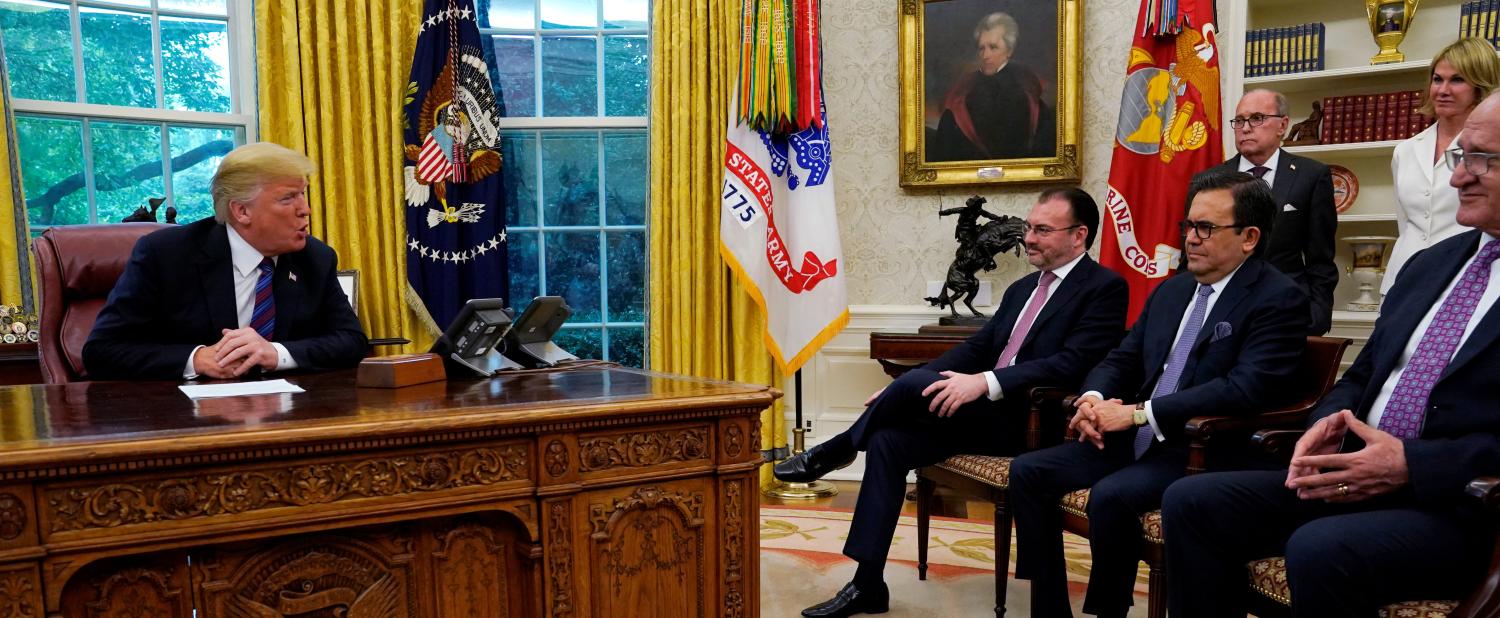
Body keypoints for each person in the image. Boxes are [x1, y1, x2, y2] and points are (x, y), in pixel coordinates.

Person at [1163, 90, 1500, 618]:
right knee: (1193, 502)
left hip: (1464, 503)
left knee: (1320, 548)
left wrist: (1411, 463)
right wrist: (1329, 421)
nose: (1458, 177)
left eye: (1483, 160)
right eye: (1459, 157)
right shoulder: (1430, 265)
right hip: (1356, 472)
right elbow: (1362, 375)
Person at [775, 188, 1129, 618]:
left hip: (1034, 421)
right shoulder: (1022, 289)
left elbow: (1073, 363)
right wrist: (917, 382)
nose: (1029, 238)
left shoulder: (1105, 288)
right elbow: (977, 348)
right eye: (1029, 226)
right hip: (983, 418)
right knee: (888, 440)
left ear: (1079, 235)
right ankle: (867, 584)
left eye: (1042, 230)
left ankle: (838, 449)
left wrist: (985, 383)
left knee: (904, 390)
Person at [1009, 169, 1309, 618]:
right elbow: (1123, 356)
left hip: (1200, 447)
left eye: (1205, 228)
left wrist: (1136, 414)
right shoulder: (1172, 291)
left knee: (1111, 496)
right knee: (1030, 472)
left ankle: (1107, 610)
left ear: (1249, 237)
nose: (1190, 238)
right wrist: (1092, 397)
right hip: (1137, 435)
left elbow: (1243, 389)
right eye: (1188, 226)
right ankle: (1050, 607)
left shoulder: (1278, 298)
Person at [84, 142, 368, 380]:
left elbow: (352, 341)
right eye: (288, 198)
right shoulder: (166, 255)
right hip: (187, 421)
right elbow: (102, 351)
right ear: (242, 211)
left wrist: (276, 353)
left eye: (303, 194)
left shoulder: (314, 258)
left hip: (286, 415)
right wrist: (196, 359)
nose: (305, 209)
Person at [1207, 89, 1337, 335]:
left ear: (1283, 125)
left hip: (1287, 313)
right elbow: (1192, 254)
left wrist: (1317, 317)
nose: (1245, 128)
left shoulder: (1311, 176)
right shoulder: (1211, 180)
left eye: (1257, 118)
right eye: (1239, 121)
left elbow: (1320, 259)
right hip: (1220, 315)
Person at [1385, 37, 1500, 295]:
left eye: (1457, 80)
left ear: (1480, 86)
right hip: (1403, 278)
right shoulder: (1405, 150)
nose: (1442, 90)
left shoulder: (1491, 149)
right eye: (1437, 79)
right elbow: (1405, 225)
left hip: (1467, 276)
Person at [927, 12, 1054, 162]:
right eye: (982, 48)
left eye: (993, 47)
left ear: (1009, 51)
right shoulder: (964, 88)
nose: (985, 55)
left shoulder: (1026, 87)